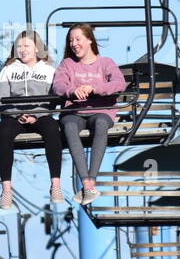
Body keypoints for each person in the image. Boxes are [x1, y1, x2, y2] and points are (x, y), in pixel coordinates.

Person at [52, 24, 126, 204]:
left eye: (78, 39)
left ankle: (91, 180)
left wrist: (95, 88)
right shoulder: (67, 64)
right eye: (71, 40)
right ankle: (87, 183)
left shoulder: (105, 63)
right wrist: (72, 91)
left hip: (100, 110)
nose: (74, 44)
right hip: (75, 111)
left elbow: (119, 83)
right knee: (68, 125)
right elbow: (58, 85)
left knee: (101, 123)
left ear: (90, 40)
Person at [0, 30, 62, 208]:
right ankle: (6, 190)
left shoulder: (49, 70)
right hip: (14, 115)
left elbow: (53, 99)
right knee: (4, 132)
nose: (23, 50)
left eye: (27, 46)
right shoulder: (8, 70)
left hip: (40, 114)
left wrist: (35, 115)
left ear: (37, 48)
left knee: (53, 129)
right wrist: (18, 114)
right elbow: (1, 98)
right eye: (19, 47)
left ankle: (55, 185)